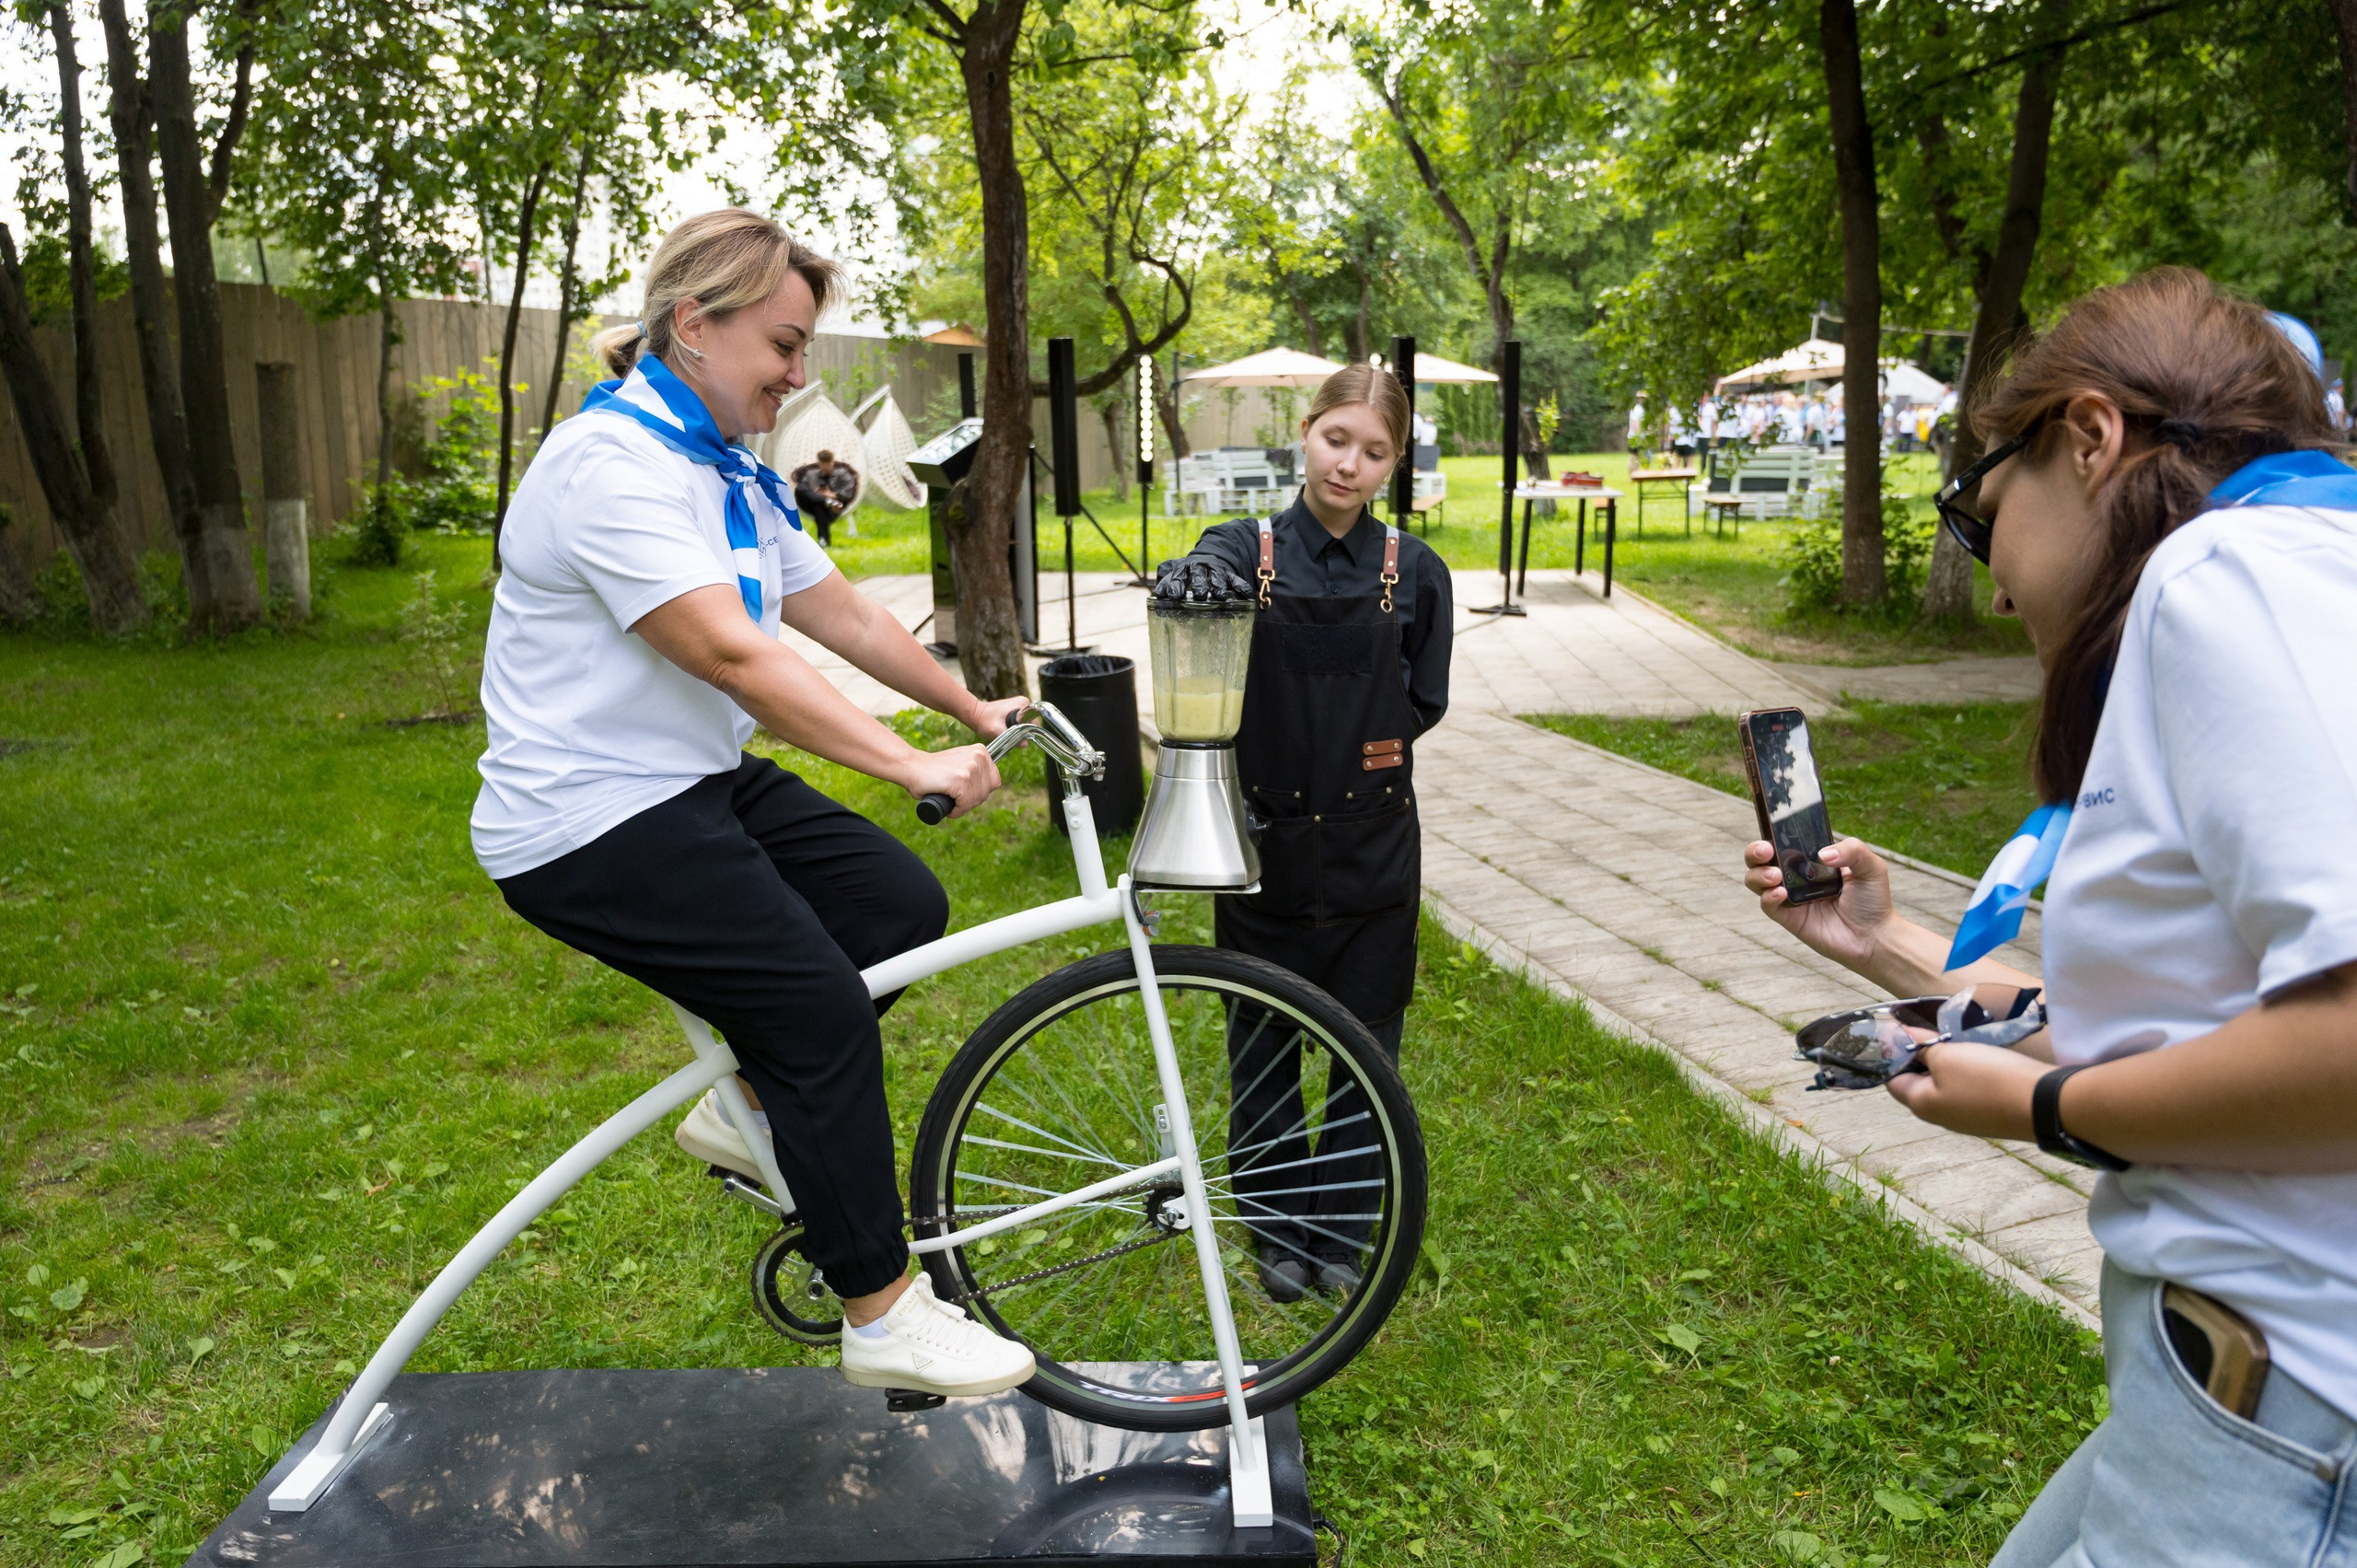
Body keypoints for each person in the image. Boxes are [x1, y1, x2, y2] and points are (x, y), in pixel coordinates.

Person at [1740, 269, 2357, 1565]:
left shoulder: (2229, 574)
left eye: (1979, 510)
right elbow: (2202, 1029)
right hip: (2229, 1390)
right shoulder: (2289, 571)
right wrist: (1891, 950)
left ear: (2088, 437)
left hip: (2289, 1418)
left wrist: (2037, 1111)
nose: (1994, 573)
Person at [473, 209, 1038, 1399]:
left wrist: (973, 709)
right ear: (693, 325)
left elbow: (846, 615)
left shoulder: (720, 466)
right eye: (784, 346)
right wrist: (907, 763)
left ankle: (753, 1106)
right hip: (585, 818)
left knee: (896, 903)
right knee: (822, 1009)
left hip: (686, 779)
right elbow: (734, 656)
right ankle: (880, 1307)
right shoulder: (608, 468)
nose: (798, 373)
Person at [1156, 364, 1453, 1303]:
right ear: (1306, 431)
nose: (1349, 465)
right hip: (1267, 848)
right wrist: (1201, 574)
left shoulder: (1417, 571)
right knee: (1265, 1047)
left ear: (1392, 463)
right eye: (1337, 440)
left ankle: (1340, 1231)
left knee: (1369, 1053)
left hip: (1374, 853)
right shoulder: (1248, 549)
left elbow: (1423, 699)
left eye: (1373, 452)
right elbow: (1207, 560)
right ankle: (1277, 1232)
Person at [789, 447, 858, 546]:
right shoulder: (810, 475)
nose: (825, 467)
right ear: (819, 463)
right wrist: (818, 494)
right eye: (823, 464)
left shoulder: (843, 474)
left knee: (819, 506)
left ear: (833, 462)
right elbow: (802, 491)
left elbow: (848, 493)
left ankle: (823, 540)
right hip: (813, 504)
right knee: (800, 489)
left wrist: (832, 495)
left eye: (828, 464)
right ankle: (826, 501)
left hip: (833, 509)